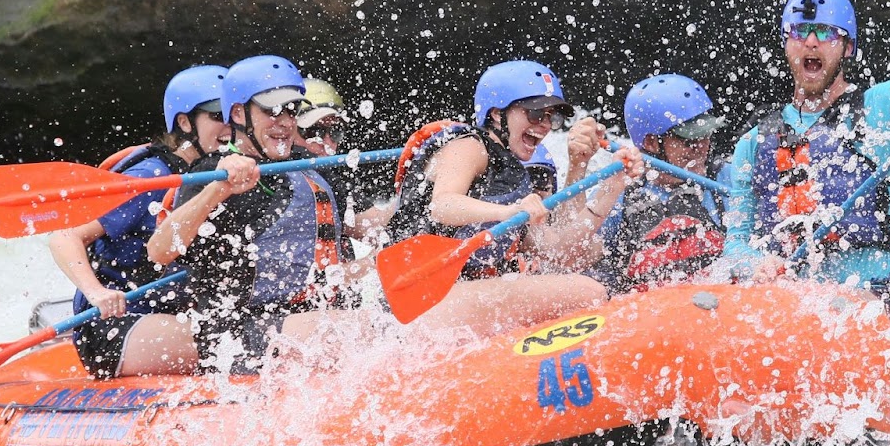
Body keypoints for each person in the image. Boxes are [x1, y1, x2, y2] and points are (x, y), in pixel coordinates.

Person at [722, 0, 890, 329]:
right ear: (786, 45)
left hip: (874, 305)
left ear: (847, 48)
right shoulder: (753, 143)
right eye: (800, 32)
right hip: (792, 313)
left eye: (826, 33)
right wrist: (754, 265)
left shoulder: (880, 108)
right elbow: (735, 246)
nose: (811, 42)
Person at [386, 59, 641, 333]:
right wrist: (509, 212)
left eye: (550, 117)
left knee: (580, 281)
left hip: (457, 298)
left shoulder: (513, 179)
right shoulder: (469, 146)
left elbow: (561, 253)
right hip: (421, 299)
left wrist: (613, 186)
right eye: (534, 115)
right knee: (586, 291)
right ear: (497, 114)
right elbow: (443, 204)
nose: (544, 126)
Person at [146, 55, 347, 373]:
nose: (284, 121)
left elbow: (345, 238)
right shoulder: (212, 170)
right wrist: (219, 189)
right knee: (350, 330)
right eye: (271, 110)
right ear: (238, 113)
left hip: (310, 315)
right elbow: (160, 251)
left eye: (291, 110)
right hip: (240, 332)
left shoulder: (307, 165)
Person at [48, 65, 227, 379]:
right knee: (228, 342)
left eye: (233, 115)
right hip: (115, 323)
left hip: (170, 313)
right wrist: (96, 293)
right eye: (216, 116)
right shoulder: (151, 176)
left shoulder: (220, 173)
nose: (229, 126)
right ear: (185, 122)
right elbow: (64, 236)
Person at [598, 73, 726, 291]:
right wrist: (577, 165)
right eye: (689, 139)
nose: (702, 146)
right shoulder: (620, 193)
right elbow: (576, 258)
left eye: (705, 134)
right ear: (651, 142)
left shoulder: (726, 179)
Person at [296, 76, 393, 255]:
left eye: (335, 132)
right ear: (288, 129)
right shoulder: (273, 178)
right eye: (314, 131)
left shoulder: (326, 178)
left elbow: (376, 228)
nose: (326, 142)